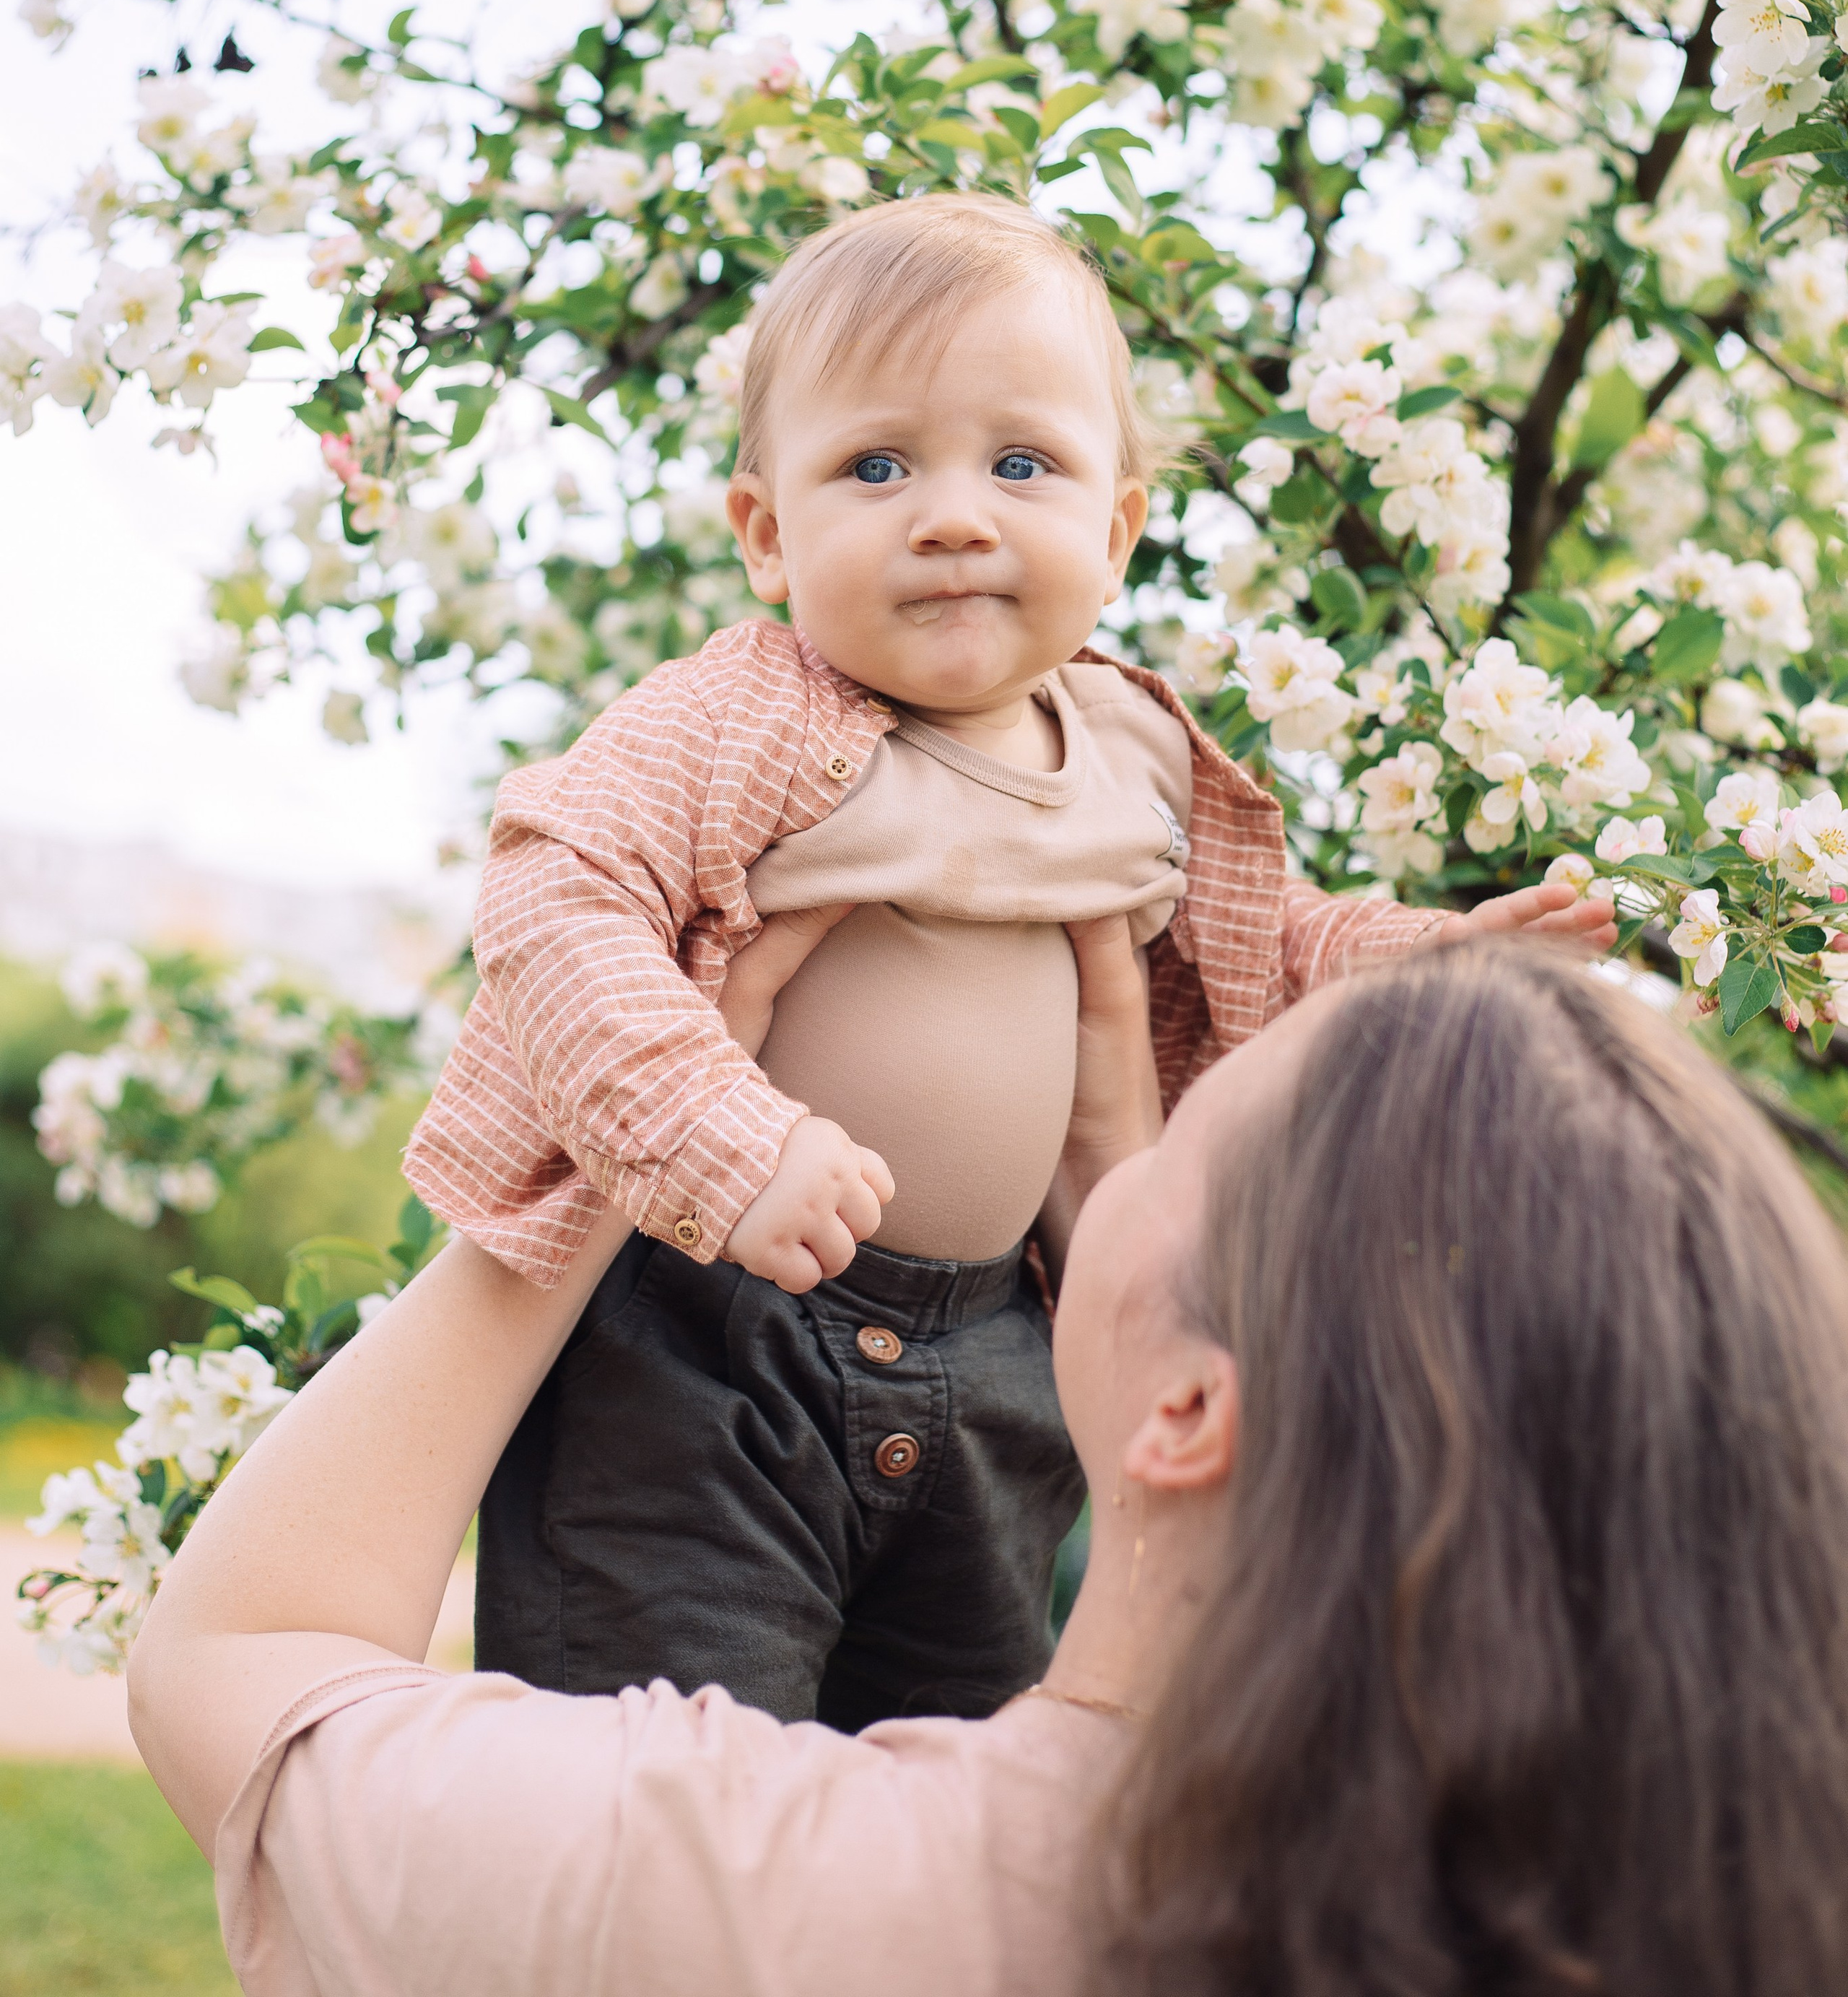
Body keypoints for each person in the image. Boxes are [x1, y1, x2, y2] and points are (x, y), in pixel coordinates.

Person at [399, 190, 1613, 1722]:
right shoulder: (735, 719)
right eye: (876, 466)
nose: (954, 513)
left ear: (1114, 526)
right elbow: (554, 900)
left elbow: (1260, 950)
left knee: (956, 1768)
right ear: (767, 536)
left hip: (997, 1367)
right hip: (706, 1348)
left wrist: (1435, 961)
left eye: (1020, 463)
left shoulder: (1128, 751)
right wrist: (722, 1143)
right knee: (676, 1771)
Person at [128, 936, 1848, 1997]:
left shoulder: (770, 1907)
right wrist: (1143, 1220)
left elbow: (239, 1665)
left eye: (1200, 1122)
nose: (1138, 1133)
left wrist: (609, 1148)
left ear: (1188, 1418)